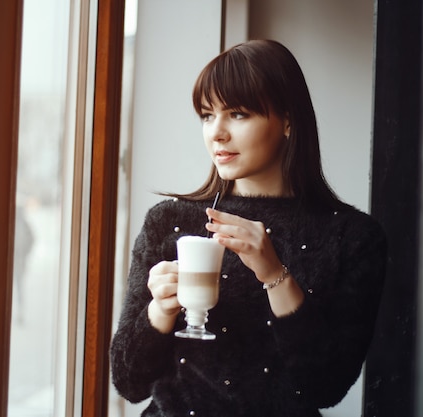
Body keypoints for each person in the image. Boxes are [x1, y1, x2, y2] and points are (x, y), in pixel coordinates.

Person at [110, 39, 387, 417]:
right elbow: (128, 381)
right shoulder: (169, 221)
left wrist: (275, 275)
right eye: (208, 115)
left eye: (237, 114)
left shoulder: (353, 238)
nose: (217, 133)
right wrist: (159, 310)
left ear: (288, 119)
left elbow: (327, 386)